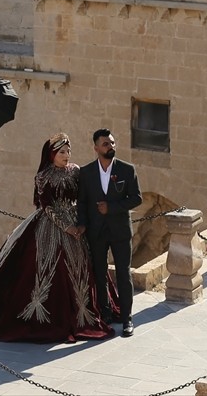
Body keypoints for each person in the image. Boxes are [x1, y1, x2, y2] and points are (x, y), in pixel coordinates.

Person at [0, 133, 114, 343]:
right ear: (52, 154)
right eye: (62, 152)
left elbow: (83, 197)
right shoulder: (43, 176)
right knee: (45, 265)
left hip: (77, 223)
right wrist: (67, 227)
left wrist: (82, 223)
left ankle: (86, 311)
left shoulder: (76, 171)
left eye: (68, 151)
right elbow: (47, 205)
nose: (67, 155)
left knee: (84, 266)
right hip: (49, 226)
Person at [76, 128, 142, 337]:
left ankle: (127, 318)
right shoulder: (86, 173)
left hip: (120, 231)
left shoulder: (127, 170)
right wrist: (82, 224)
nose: (110, 146)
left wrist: (111, 207)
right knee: (99, 274)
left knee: (124, 274)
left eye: (112, 143)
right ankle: (104, 315)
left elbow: (136, 198)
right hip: (96, 233)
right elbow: (82, 202)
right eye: (106, 144)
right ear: (96, 148)